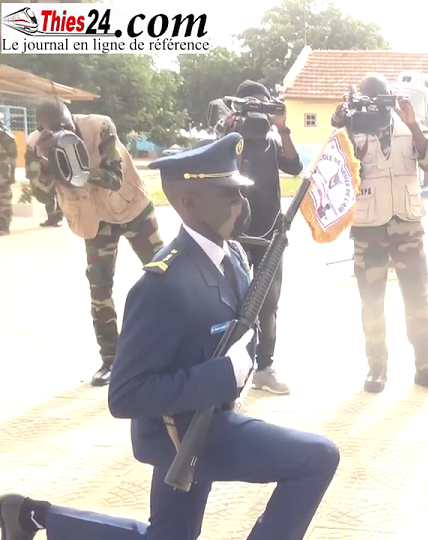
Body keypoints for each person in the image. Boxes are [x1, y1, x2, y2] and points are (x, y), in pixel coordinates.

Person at [0, 133, 340, 540]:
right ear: (189, 202)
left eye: (240, 193)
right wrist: (221, 375)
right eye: (229, 194)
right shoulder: (162, 285)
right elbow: (126, 395)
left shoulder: (230, 256)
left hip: (203, 418)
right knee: (316, 458)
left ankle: (29, 516)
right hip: (177, 433)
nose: (241, 204)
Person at [334, 73, 428, 395]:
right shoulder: (353, 128)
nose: (376, 104)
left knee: (418, 299)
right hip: (368, 226)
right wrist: (345, 124)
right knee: (371, 301)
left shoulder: (409, 125)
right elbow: (338, 170)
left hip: (407, 225)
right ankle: (377, 368)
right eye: (369, 98)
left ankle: (427, 368)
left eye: (381, 97)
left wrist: (413, 124)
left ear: (391, 97)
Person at [29, 100, 163, 386]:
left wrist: (78, 169)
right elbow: (41, 196)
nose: (66, 132)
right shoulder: (36, 143)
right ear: (43, 128)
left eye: (68, 127)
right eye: (58, 130)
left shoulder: (100, 126)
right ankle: (111, 360)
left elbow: (115, 179)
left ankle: (174, 343)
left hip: (132, 209)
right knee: (99, 289)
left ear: (72, 118)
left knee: (166, 273)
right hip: (95, 220)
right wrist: (46, 160)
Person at [225, 79, 304, 395]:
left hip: (271, 232)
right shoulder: (230, 139)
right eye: (253, 107)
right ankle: (228, 366)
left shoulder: (273, 142)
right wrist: (229, 133)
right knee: (230, 302)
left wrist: (283, 128)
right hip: (235, 233)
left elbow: (295, 166)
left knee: (269, 303)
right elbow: (218, 168)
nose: (259, 116)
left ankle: (265, 366)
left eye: (264, 106)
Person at [0, 112, 14, 236]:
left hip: (2, 175)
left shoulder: (5, 136)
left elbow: (13, 157)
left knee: (4, 200)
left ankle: (4, 225)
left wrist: (12, 175)